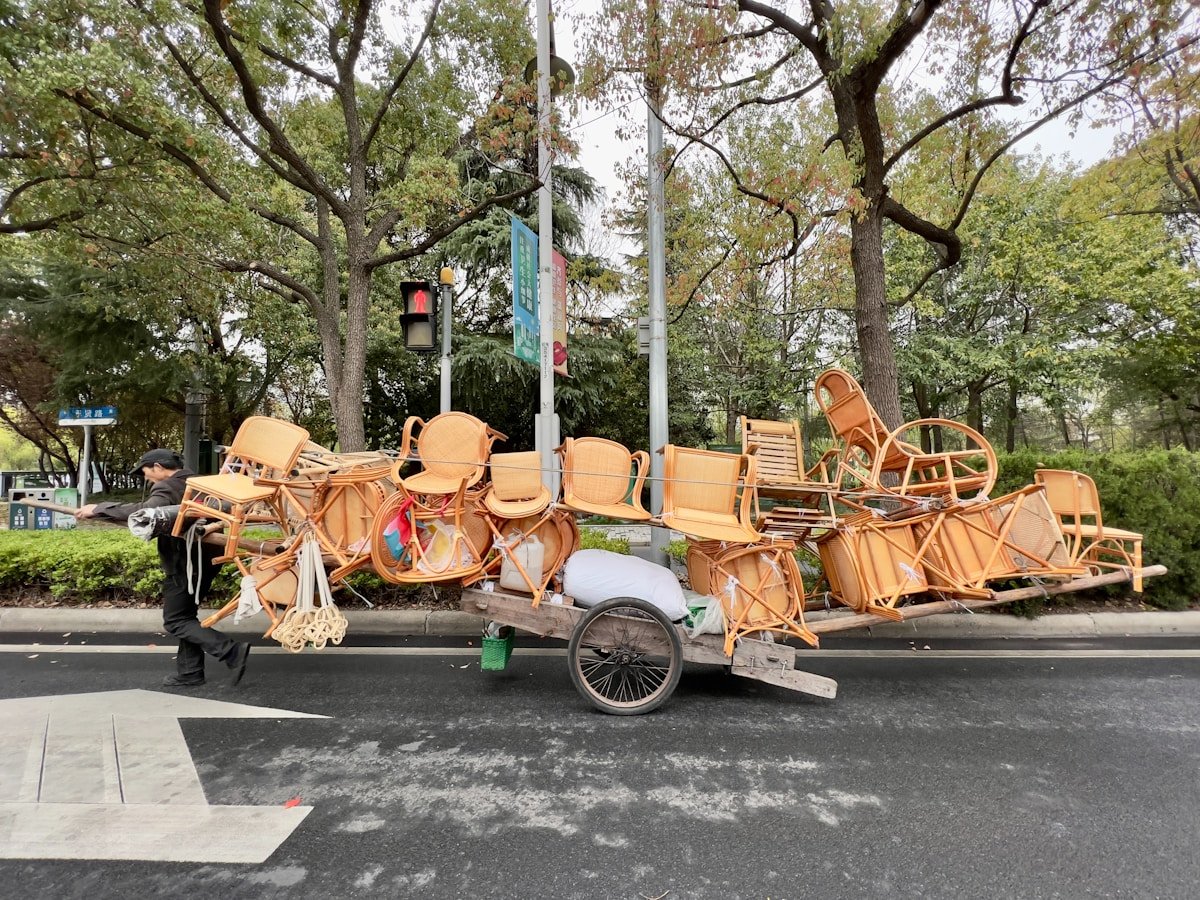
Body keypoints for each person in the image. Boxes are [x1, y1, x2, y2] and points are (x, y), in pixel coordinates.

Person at [76, 448, 250, 688]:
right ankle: (190, 672)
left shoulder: (167, 487)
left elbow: (145, 513)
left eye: (146, 472)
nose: (146, 478)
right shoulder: (201, 482)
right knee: (186, 616)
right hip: (208, 561)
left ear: (158, 467)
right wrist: (101, 515)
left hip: (184, 564)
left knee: (175, 620)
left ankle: (231, 651)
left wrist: (97, 508)